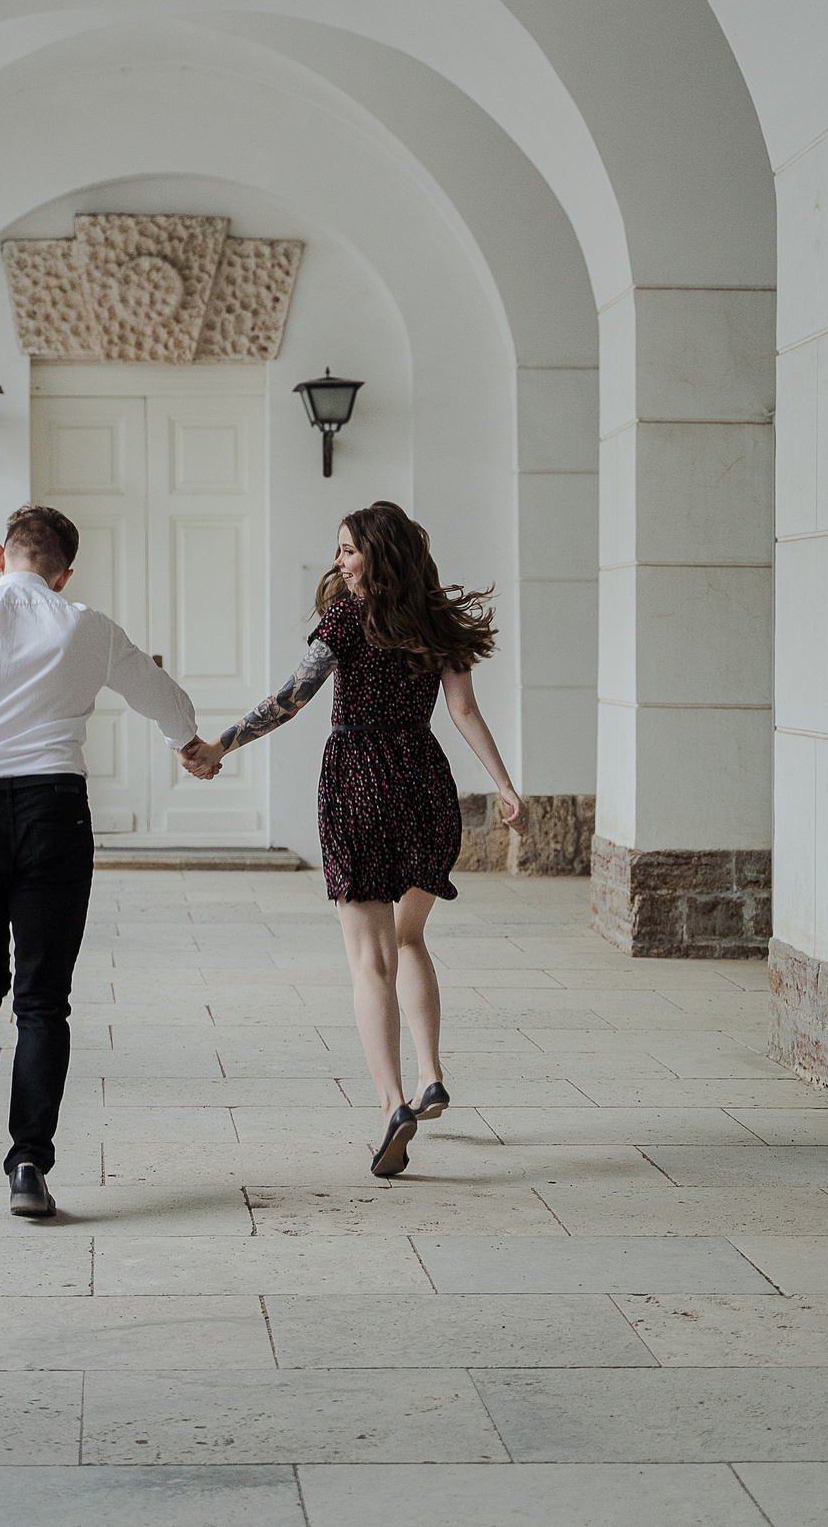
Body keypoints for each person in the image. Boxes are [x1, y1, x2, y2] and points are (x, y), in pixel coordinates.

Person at [0, 503, 210, 1218]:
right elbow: (164, 700)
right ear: (64, 572)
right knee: (44, 996)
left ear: (2, 556)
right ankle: (27, 1165)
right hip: (55, 808)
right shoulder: (85, 624)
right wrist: (190, 741)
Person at [185, 501, 525, 1177]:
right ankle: (431, 1075)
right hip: (426, 784)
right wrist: (506, 785)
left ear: (375, 553)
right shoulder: (438, 622)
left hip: (359, 783)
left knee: (370, 960)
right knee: (410, 938)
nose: (338, 562)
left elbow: (294, 694)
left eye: (346, 550)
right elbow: (462, 709)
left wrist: (223, 740)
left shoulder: (347, 618)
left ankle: (393, 1102)